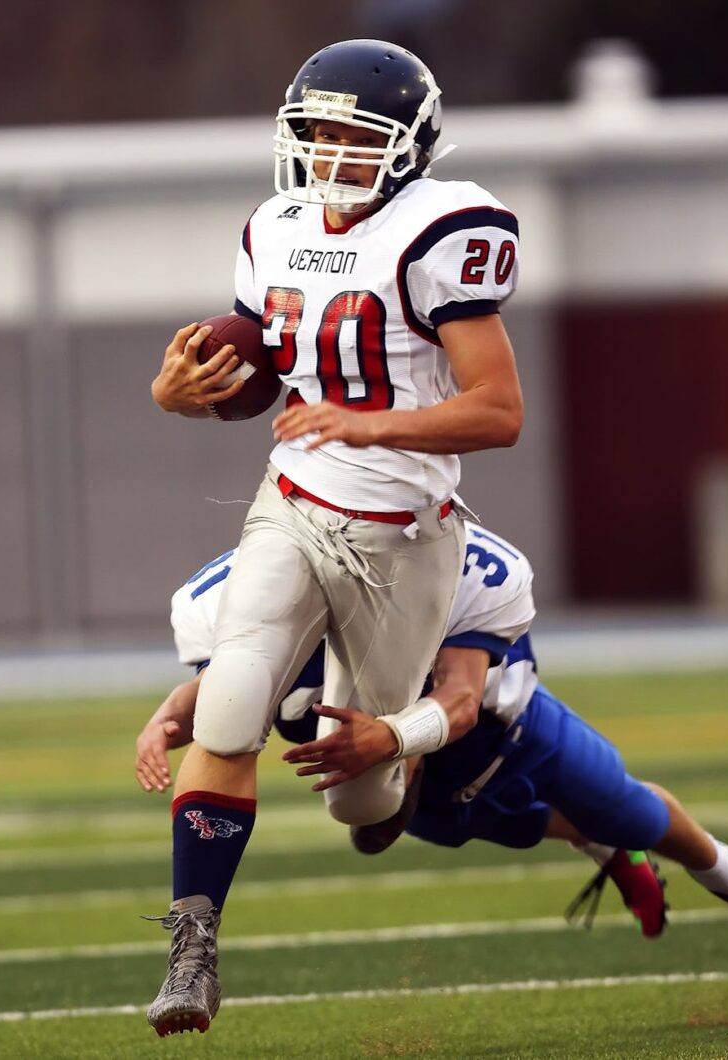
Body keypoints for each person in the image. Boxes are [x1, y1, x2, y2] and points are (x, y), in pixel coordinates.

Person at [146, 38, 524, 1036]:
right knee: (228, 703)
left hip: (405, 531)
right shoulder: (272, 225)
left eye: (358, 137)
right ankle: (193, 946)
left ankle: (393, 765)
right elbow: (259, 369)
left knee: (358, 803)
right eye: (318, 132)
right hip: (295, 499)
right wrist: (178, 392)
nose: (331, 153)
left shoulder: (442, 231)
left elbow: (499, 412)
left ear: (407, 148)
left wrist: (371, 422)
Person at [137, 528, 728, 954]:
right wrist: (167, 715)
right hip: (392, 761)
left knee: (630, 812)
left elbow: (460, 700)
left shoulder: (463, 568)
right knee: (394, 823)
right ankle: (605, 845)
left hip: (497, 731)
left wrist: (390, 736)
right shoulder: (241, 593)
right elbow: (224, 688)